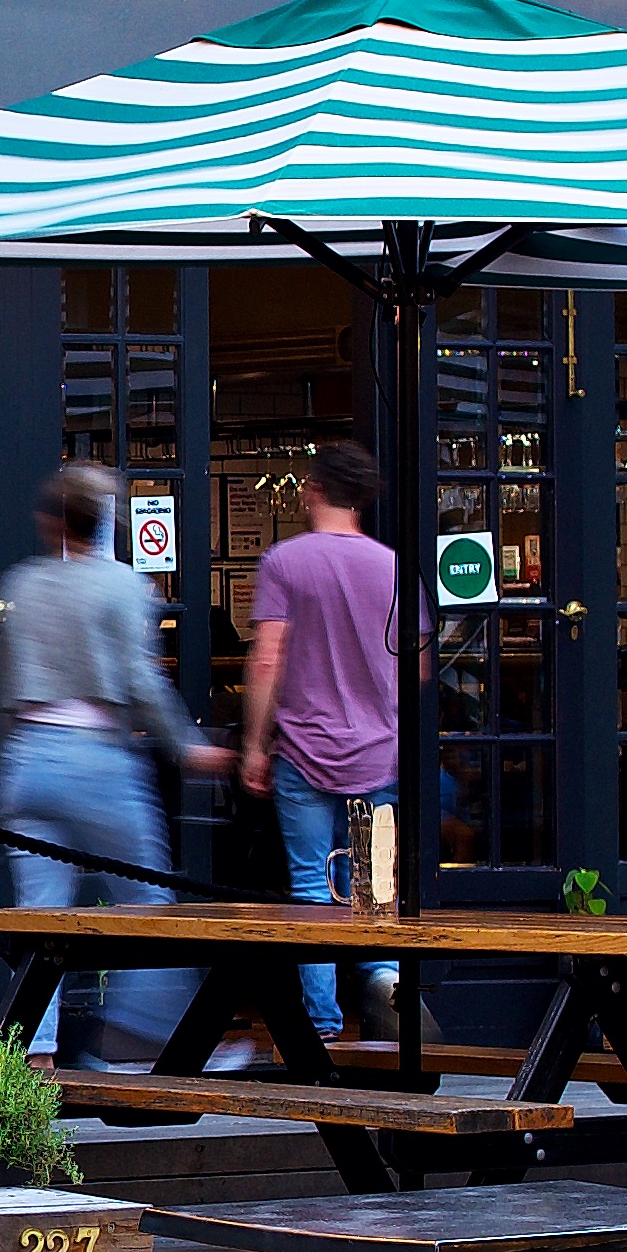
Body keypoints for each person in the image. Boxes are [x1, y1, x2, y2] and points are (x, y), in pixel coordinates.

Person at [0, 461, 227, 1067]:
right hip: (94, 757)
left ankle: (34, 1057)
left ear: (49, 522)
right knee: (146, 898)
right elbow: (141, 680)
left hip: (27, 757)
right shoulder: (123, 586)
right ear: (104, 523)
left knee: (41, 915)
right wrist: (184, 744)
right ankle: (143, 1032)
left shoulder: (20, 584)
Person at [233, 442, 403, 1049]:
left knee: (310, 883)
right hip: (378, 751)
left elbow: (268, 657)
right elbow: (421, 665)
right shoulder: (390, 567)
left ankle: (324, 1025)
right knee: (374, 884)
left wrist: (256, 741)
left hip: (305, 752)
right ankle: (386, 985)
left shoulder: (286, 561)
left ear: (317, 490)